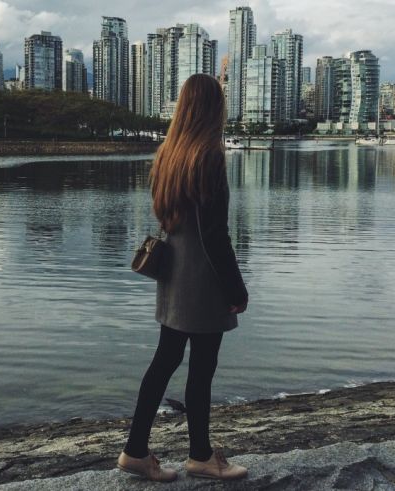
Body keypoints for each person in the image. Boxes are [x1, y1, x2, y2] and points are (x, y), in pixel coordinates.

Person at [116, 73, 249, 482]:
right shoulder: (209, 156)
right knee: (201, 368)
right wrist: (236, 288)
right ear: (213, 109)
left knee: (165, 361)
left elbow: (173, 219)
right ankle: (201, 457)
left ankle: (135, 451)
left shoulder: (168, 154)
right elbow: (215, 235)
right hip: (203, 277)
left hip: (173, 273)